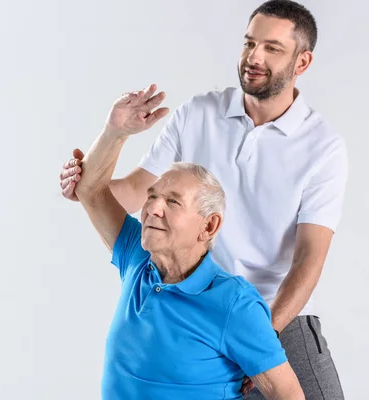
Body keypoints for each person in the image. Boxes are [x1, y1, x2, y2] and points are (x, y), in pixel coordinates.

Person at [59, 1, 346, 399]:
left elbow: (308, 261)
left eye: (272, 48)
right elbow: (129, 193)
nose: (254, 57)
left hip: (276, 313)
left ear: (302, 61)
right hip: (188, 299)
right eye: (249, 43)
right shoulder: (199, 113)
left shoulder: (322, 148)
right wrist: (93, 169)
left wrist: (263, 333)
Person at [73, 88, 304, 398]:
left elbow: (288, 394)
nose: (153, 207)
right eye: (152, 196)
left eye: (172, 201)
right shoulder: (137, 257)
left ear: (208, 226)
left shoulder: (235, 303)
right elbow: (90, 190)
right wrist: (115, 132)